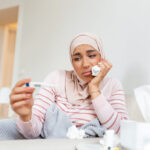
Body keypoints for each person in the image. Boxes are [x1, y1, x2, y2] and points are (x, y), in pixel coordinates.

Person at [10, 33, 128, 138]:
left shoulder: (113, 85)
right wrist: (26, 116)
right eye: (77, 58)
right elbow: (32, 132)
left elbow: (120, 131)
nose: (85, 64)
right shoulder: (56, 78)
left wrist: (94, 88)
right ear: (72, 62)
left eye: (91, 56)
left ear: (101, 58)